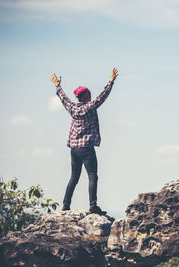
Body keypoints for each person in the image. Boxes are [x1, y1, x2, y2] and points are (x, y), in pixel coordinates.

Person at [50, 68, 119, 214]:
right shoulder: (89, 107)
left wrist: (57, 85)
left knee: (74, 177)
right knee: (92, 175)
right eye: (89, 94)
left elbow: (63, 98)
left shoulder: (73, 108)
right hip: (86, 148)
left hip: (74, 149)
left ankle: (65, 205)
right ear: (86, 96)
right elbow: (102, 97)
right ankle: (93, 205)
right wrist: (111, 82)